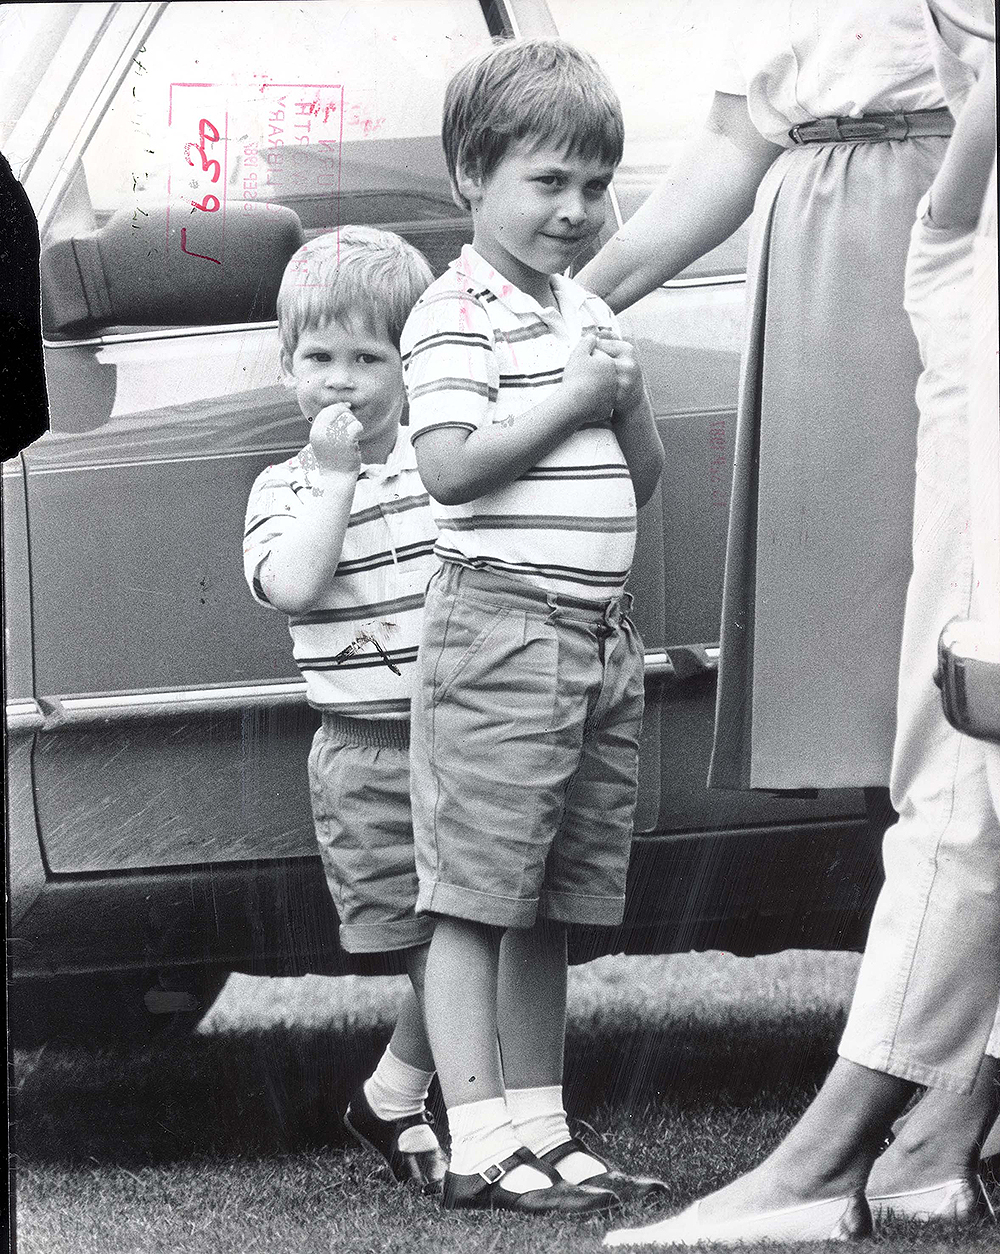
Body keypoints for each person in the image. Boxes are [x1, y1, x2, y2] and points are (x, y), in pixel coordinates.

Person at [602, 4, 999, 1246]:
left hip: (946, 232)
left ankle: (867, 1142)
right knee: (946, 719)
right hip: (907, 248)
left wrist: (942, 226)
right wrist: (548, 318)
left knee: (962, 723)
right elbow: (740, 129)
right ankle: (928, 1126)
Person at [400, 38, 667, 1216]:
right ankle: (473, 1134)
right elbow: (451, 469)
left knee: (551, 897)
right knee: (475, 893)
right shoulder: (452, 312)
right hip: (501, 633)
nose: (576, 209)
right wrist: (570, 395)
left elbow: (639, 474)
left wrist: (624, 391)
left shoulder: (585, 306)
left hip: (594, 638)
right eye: (547, 182)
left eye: (595, 183)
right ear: (472, 174)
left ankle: (544, 1130)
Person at [242, 226, 447, 1194]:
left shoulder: (437, 472)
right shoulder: (283, 488)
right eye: (319, 358)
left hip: (454, 740)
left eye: (369, 358)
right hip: (364, 755)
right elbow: (294, 582)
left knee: (471, 937)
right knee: (428, 949)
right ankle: (477, 1115)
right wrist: (333, 480)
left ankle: (394, 1096)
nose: (341, 381)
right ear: (287, 368)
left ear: (409, 371)